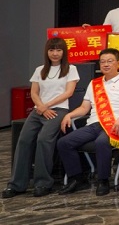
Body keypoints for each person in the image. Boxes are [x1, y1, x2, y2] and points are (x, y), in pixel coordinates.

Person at [57, 48, 119, 196]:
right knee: (64, 142)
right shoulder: (94, 84)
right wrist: (69, 115)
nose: (106, 64)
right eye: (102, 62)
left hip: (117, 125)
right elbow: (84, 108)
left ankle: (103, 180)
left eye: (110, 61)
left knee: (101, 142)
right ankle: (77, 178)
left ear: (118, 63)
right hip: (94, 124)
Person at [3, 38, 79, 198]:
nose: (55, 53)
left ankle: (43, 183)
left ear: (64, 52)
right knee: (23, 140)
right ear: (47, 52)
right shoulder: (40, 70)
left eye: (58, 50)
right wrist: (42, 107)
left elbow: (69, 92)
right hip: (39, 110)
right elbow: (34, 92)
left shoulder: (71, 69)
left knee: (44, 140)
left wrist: (47, 105)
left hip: (58, 110)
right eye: (51, 50)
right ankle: (16, 184)